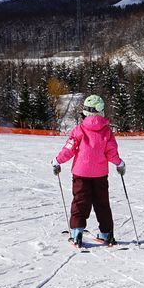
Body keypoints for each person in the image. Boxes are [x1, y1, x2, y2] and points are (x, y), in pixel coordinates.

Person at [52, 94, 125, 247]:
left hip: (81, 174)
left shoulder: (79, 130)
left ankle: (77, 233)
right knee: (102, 204)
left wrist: (58, 161)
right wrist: (119, 164)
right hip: (100, 175)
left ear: (85, 111)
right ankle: (107, 234)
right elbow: (111, 153)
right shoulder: (106, 132)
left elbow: (69, 148)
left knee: (80, 202)